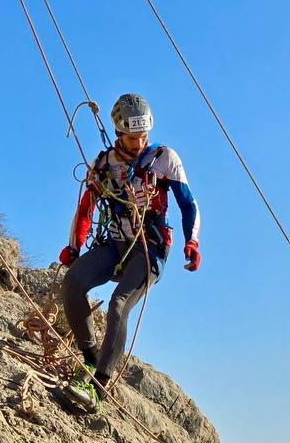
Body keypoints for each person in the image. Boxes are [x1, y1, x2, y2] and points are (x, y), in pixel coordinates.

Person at [55, 93, 200, 412]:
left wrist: (193, 241)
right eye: (133, 137)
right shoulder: (104, 163)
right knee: (72, 284)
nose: (139, 142)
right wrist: (73, 248)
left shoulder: (163, 158)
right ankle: (90, 358)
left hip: (150, 250)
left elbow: (187, 203)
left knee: (119, 305)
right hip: (114, 245)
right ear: (119, 133)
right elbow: (85, 208)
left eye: (143, 136)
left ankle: (98, 388)